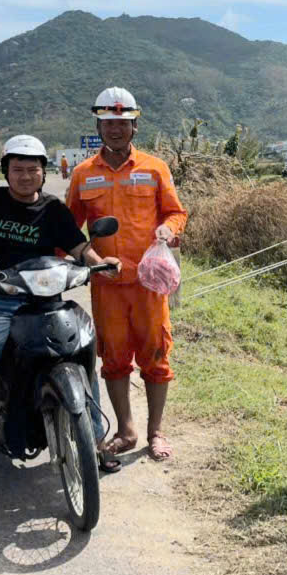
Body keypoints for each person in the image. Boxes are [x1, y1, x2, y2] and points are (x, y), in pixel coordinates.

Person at [0, 135, 121, 493]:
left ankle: (94, 441)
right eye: (17, 169)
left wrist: (100, 264)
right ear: (5, 172)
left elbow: (79, 246)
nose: (25, 176)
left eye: (32, 169)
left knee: (82, 358)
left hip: (47, 299)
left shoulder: (53, 209)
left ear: (43, 173)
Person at [66, 87, 188, 463]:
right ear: (98, 126)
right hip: (107, 285)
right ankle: (126, 430)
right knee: (115, 359)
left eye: (122, 123)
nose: (115, 129)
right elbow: (69, 230)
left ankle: (155, 432)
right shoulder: (83, 174)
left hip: (150, 284)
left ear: (135, 126)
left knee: (156, 356)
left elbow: (176, 212)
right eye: (108, 123)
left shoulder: (155, 168)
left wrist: (170, 230)